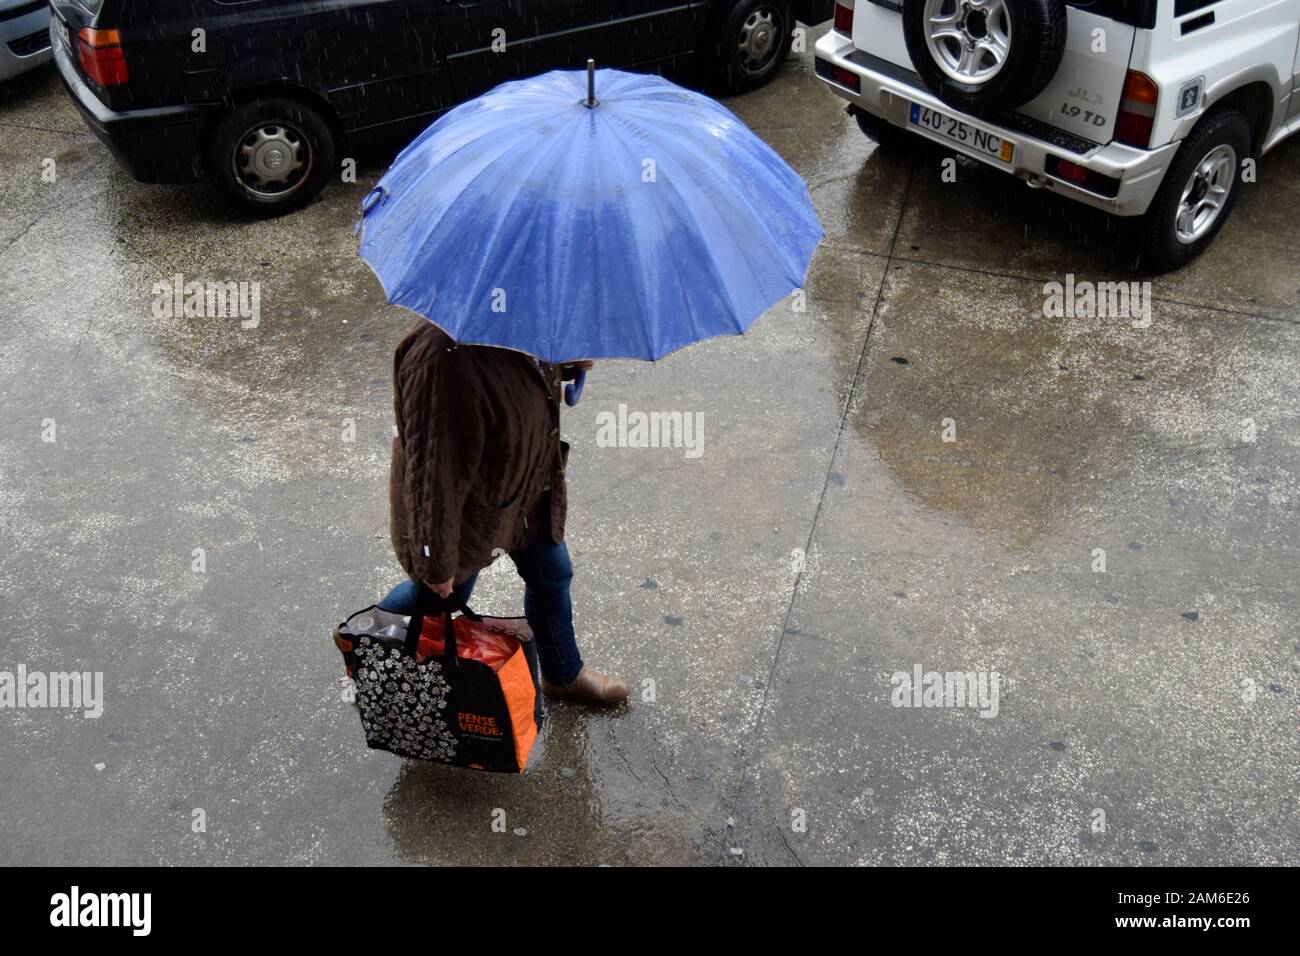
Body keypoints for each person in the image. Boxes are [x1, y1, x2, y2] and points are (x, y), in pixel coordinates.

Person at [380, 320, 630, 706]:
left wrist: (562, 364)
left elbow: (513, 376)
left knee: (552, 574)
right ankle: (369, 631)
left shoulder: (518, 316)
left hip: (526, 491)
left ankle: (563, 675)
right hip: (466, 516)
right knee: (441, 596)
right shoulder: (439, 361)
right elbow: (432, 474)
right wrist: (436, 560)